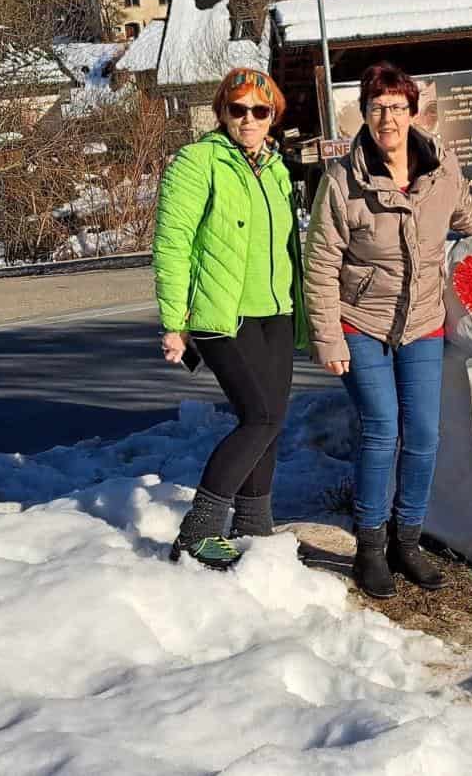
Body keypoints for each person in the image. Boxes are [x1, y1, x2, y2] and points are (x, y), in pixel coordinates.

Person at [304, 61, 472, 598]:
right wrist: (328, 337)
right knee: (382, 429)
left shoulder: (440, 174)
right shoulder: (342, 183)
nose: (388, 118)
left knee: (425, 434)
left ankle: (409, 540)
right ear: (365, 112)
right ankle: (370, 547)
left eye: (397, 107)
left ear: (414, 112)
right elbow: (319, 264)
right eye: (377, 107)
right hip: (362, 322)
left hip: (423, 321)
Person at [153, 68, 308, 570]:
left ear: (272, 117)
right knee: (258, 417)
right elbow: (172, 244)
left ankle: (253, 526)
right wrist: (174, 320)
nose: (248, 119)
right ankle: (198, 530)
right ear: (222, 111)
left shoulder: (277, 168)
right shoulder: (197, 163)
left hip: (275, 312)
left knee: (271, 422)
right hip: (222, 316)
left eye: (259, 111)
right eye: (237, 109)